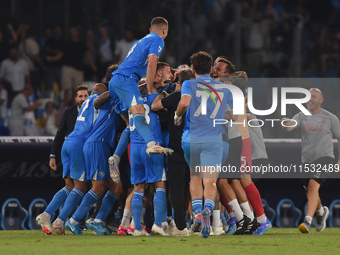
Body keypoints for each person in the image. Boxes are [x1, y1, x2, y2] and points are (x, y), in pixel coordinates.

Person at [174, 51, 233, 238]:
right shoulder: (223, 88)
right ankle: (208, 208)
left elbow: (184, 103)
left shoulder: (188, 84)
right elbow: (232, 114)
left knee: (194, 177)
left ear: (192, 69)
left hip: (191, 139)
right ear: (210, 69)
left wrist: (177, 115)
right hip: (213, 140)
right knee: (210, 180)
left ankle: (198, 212)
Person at [108, 17, 173, 156]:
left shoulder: (139, 41)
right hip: (126, 80)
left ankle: (116, 157)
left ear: (150, 29)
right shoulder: (158, 39)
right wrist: (149, 88)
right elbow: (152, 64)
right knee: (139, 111)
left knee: (130, 122)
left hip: (115, 81)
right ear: (164, 30)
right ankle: (151, 144)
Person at [65, 84, 123, 235]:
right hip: (98, 143)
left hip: (102, 145)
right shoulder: (104, 99)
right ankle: (74, 220)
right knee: (98, 187)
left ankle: (97, 220)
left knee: (117, 187)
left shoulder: (112, 99)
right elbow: (98, 100)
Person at [282, 88, 340, 233]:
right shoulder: (301, 116)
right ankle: (321, 213)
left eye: (314, 97)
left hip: (325, 157)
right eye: (308, 97)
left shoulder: (330, 117)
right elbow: (289, 128)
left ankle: (307, 221)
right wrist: (285, 123)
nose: (310, 99)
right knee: (311, 191)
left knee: (313, 186)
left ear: (321, 100)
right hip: (307, 161)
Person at [36, 85, 91, 235]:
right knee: (80, 187)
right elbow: (59, 135)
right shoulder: (71, 112)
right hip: (76, 150)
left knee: (70, 186)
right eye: (80, 96)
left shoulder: (89, 109)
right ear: (75, 99)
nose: (83, 99)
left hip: (71, 148)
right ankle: (58, 220)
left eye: (85, 95)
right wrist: (53, 155)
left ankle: (48, 215)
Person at [151, 68, 194, 236]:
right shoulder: (200, 98)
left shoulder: (176, 97)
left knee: (176, 187)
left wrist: (163, 94)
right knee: (195, 185)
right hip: (197, 147)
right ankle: (203, 221)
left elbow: (154, 106)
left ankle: (181, 227)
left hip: (177, 148)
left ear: (179, 83)